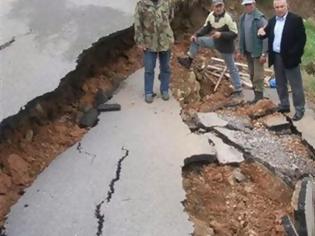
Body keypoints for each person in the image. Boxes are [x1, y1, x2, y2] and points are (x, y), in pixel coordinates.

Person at [177, 0, 243, 98]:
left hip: (226, 47)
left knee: (231, 67)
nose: (218, 8)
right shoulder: (211, 16)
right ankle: (189, 60)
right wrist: (196, 34)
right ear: (213, 7)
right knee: (197, 40)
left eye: (220, 6)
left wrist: (221, 34)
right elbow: (206, 28)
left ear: (223, 6)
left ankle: (238, 90)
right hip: (215, 42)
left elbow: (234, 34)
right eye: (216, 6)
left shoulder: (228, 18)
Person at [258, 0, 306, 121]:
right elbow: (266, 34)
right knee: (280, 83)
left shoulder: (295, 19)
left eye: (281, 6)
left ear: (286, 6)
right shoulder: (272, 20)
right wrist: (260, 33)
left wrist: (294, 56)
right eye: (277, 7)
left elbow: (301, 41)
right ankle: (284, 105)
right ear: (274, 8)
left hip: (291, 58)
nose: (279, 9)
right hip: (276, 56)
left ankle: (299, 109)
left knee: (296, 86)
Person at [134, 0, 174, 104]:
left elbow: (170, 18)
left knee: (165, 68)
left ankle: (164, 89)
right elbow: (138, 23)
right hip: (149, 42)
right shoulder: (142, 4)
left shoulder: (166, 3)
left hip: (165, 41)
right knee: (149, 69)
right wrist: (140, 41)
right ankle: (148, 92)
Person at [238, 0, 268, 103]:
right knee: (251, 74)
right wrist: (240, 50)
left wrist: (264, 53)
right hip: (248, 52)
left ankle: (259, 99)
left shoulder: (259, 18)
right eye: (246, 5)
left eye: (249, 4)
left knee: (258, 75)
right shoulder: (242, 18)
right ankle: (257, 97)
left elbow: (266, 36)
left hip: (257, 52)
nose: (247, 7)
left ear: (254, 4)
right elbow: (241, 35)